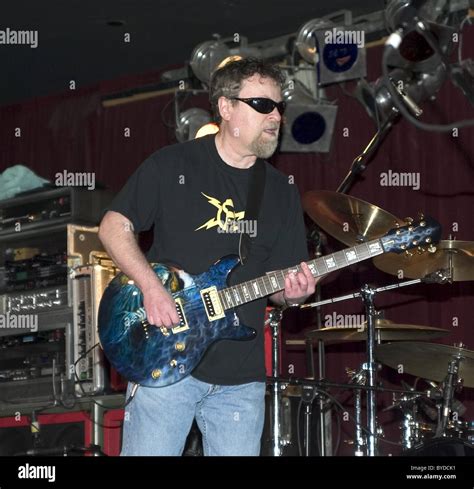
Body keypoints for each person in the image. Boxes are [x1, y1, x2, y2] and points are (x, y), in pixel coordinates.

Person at [98, 57, 317, 456]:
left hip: (241, 376)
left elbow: (279, 289)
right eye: (262, 105)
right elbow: (114, 227)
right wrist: (151, 288)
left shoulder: (281, 191)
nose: (276, 117)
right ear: (226, 107)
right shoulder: (171, 165)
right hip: (164, 363)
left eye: (280, 106)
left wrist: (295, 294)